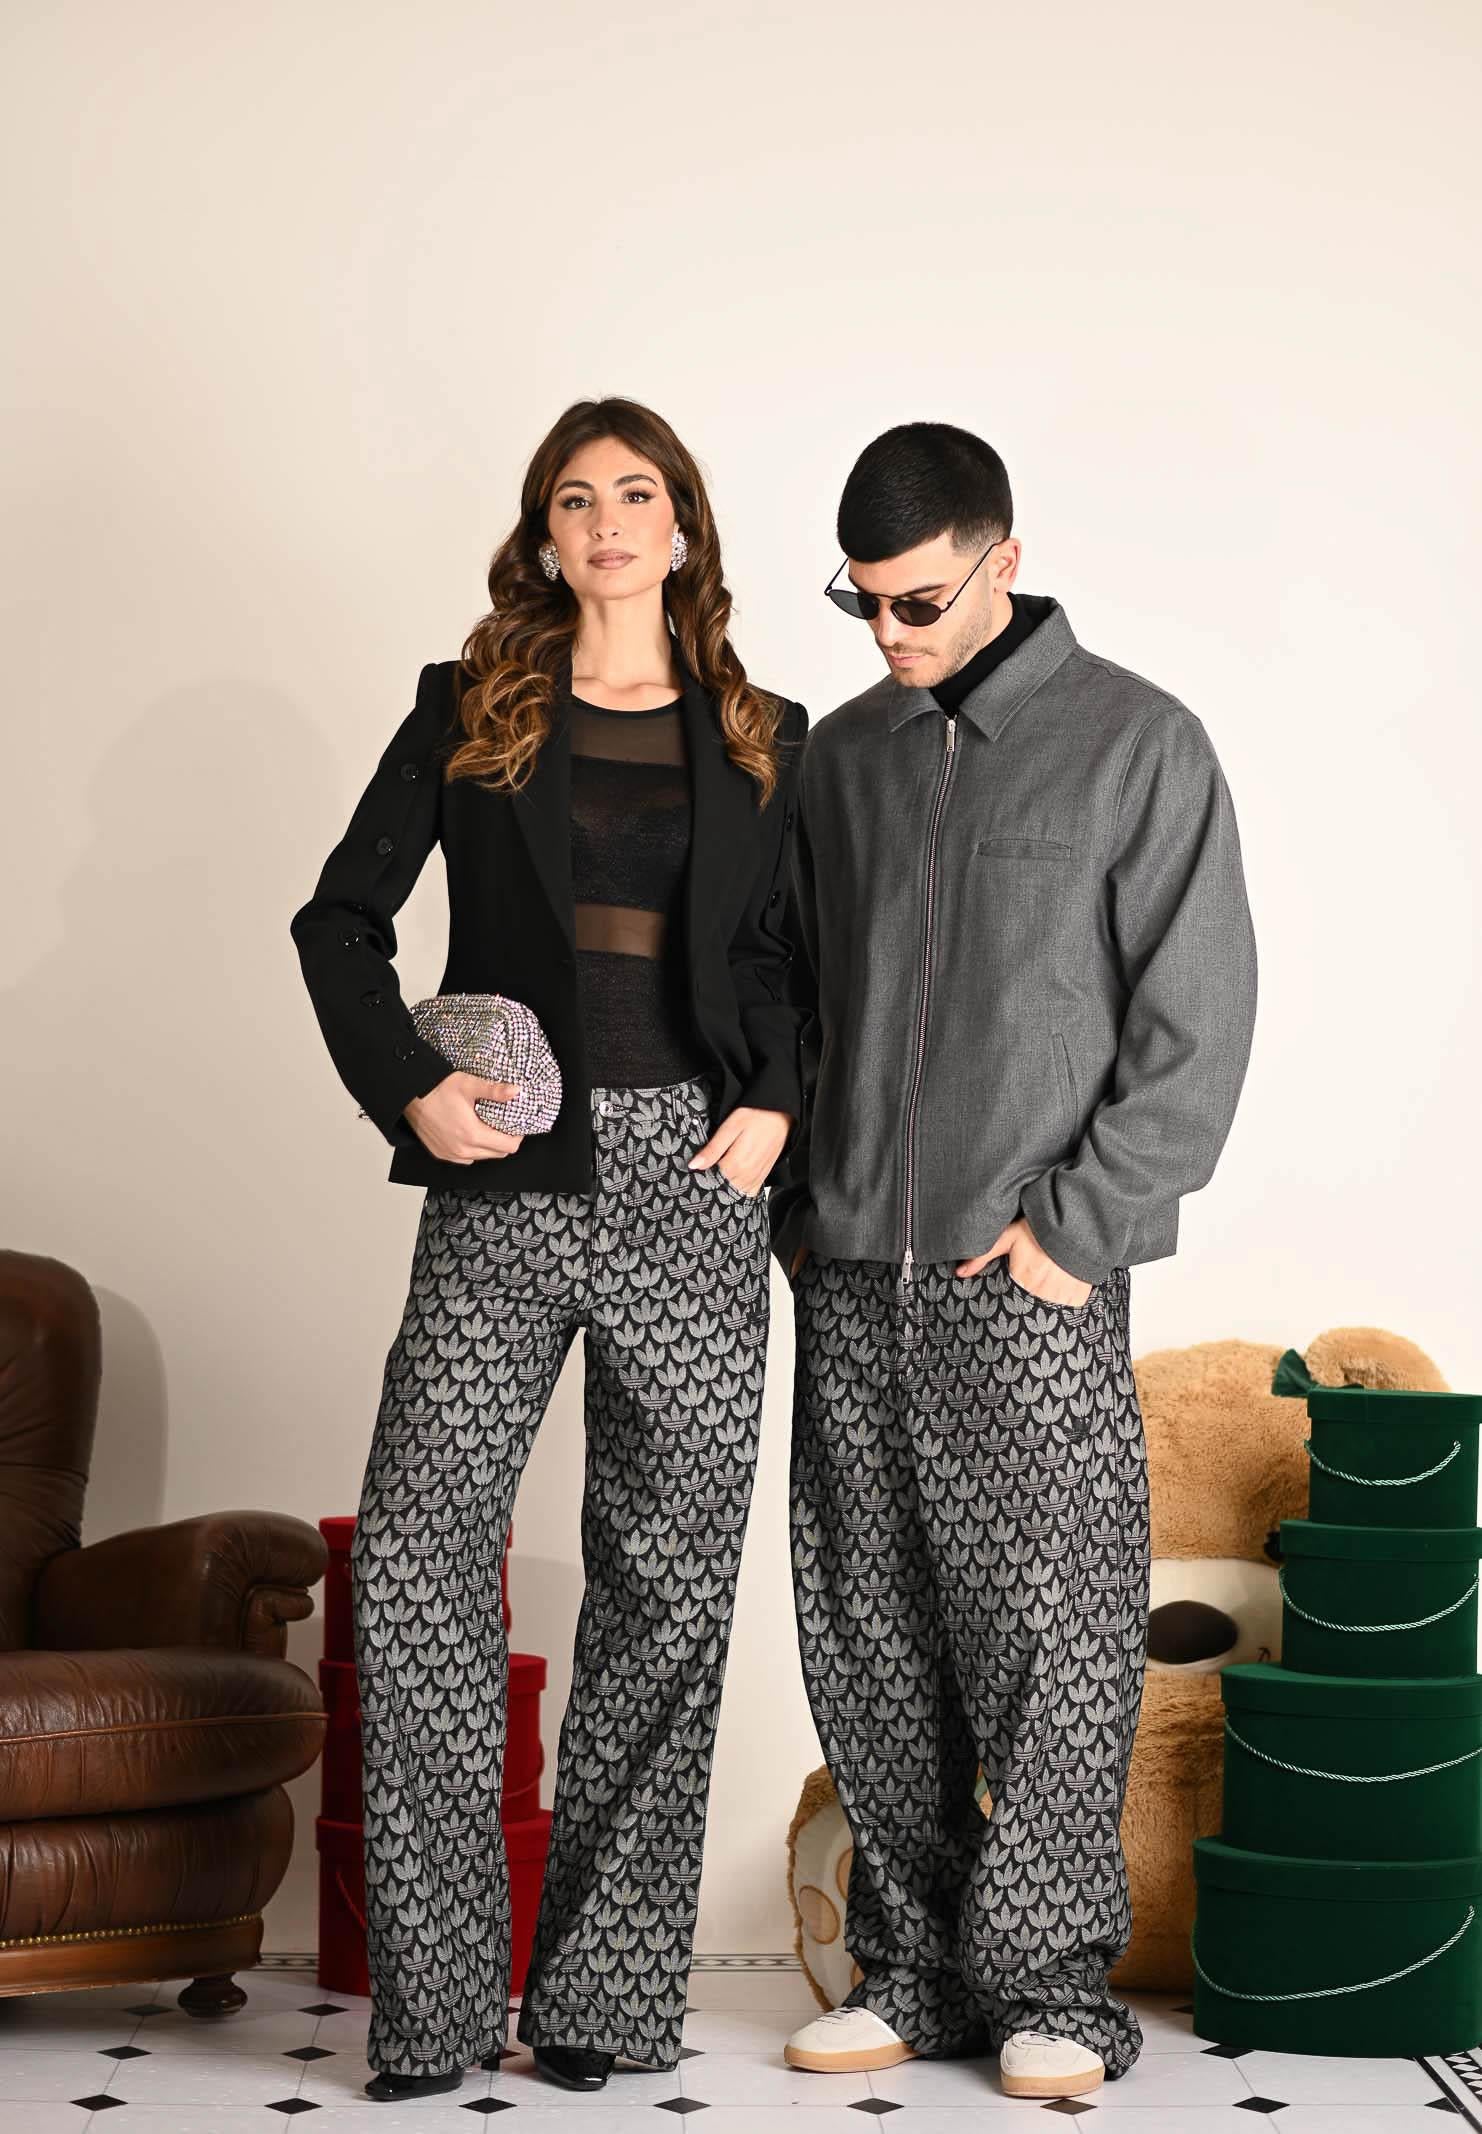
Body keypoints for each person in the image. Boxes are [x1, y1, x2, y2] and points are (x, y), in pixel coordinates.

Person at [289, 397, 808, 2104]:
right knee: (418, 1553)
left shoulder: (767, 735)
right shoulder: (469, 709)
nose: (606, 522)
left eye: (634, 494)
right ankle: (437, 2010)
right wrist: (410, 1085)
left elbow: (804, 961)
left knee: (666, 1585)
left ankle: (603, 1998)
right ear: (543, 534)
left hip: (696, 1181)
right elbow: (338, 920)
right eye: (573, 499)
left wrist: (778, 1100)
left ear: (682, 526)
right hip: (505, 1174)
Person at [771, 422, 1258, 2100]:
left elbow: (1194, 1022)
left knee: (1051, 1637)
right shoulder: (842, 758)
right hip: (851, 1271)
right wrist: (802, 1205)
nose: (887, 632)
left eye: (915, 601)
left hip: (1026, 1276)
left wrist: (1074, 1232)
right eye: (860, 601)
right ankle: (911, 1967)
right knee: (867, 1629)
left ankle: (1051, 1987)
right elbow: (793, 998)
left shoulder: (1137, 743)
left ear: (1003, 559)